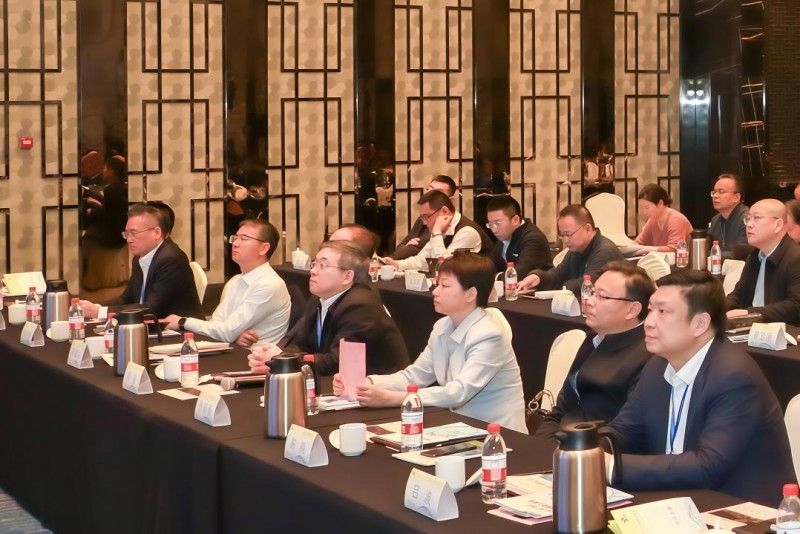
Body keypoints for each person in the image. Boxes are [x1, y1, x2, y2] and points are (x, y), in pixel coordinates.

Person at [603, 270, 794, 505]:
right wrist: (586, 450)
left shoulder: (734, 377)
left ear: (700, 323)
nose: (649, 322)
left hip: (740, 509)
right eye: (650, 310)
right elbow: (624, 430)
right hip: (679, 500)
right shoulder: (657, 367)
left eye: (662, 312)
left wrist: (612, 466)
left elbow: (709, 466)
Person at [332, 252, 527, 433]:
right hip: (460, 427)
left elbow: (458, 392)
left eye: (445, 286)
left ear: (471, 294)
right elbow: (415, 376)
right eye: (437, 284)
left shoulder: (489, 335)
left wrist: (392, 398)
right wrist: (367, 384)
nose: (435, 291)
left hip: (498, 433)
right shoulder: (442, 326)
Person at [248, 241, 409, 375]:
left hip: (377, 391)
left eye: (323, 265)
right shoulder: (320, 297)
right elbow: (300, 342)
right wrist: (275, 357)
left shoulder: (360, 306)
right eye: (314, 264)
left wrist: (285, 359)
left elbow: (337, 362)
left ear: (347, 276)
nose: (313, 271)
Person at [535, 262, 655, 439]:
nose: (589, 301)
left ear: (632, 310)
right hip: (560, 443)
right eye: (592, 293)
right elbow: (559, 411)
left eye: (602, 297)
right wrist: (544, 443)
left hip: (596, 449)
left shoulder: (648, 356)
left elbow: (624, 432)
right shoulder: (592, 340)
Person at [163, 219, 290, 347]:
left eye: (244, 239)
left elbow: (227, 332)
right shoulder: (235, 281)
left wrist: (183, 321)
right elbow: (218, 325)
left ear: (264, 248)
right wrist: (233, 336)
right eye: (235, 238)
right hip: (235, 349)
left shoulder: (269, 284)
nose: (235, 243)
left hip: (258, 356)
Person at [79, 203, 202, 319]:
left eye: (134, 233)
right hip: (153, 326)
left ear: (156, 233)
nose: (129, 240)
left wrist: (100, 312)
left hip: (180, 329)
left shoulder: (171, 259)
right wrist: (96, 307)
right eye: (127, 234)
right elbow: (126, 299)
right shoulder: (139, 258)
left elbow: (152, 308)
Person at [517, 205, 623, 295]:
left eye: (568, 234)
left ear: (588, 229)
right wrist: (538, 277)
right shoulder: (576, 249)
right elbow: (558, 275)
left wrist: (561, 285)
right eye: (562, 235)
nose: (565, 240)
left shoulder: (605, 251)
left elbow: (585, 285)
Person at [726, 199, 800, 324]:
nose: (749, 224)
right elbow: (739, 294)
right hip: (754, 327)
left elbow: (796, 306)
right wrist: (714, 309)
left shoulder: (796, 257)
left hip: (785, 331)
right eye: (748, 218)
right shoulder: (755, 255)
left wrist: (750, 313)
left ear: (778, 225)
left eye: (757, 218)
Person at [381, 190, 493, 272]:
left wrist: (437, 233)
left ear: (444, 211)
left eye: (426, 217)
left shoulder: (467, 232)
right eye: (422, 218)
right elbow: (423, 260)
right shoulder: (439, 230)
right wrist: (396, 264)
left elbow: (445, 266)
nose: (424, 223)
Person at [392, 175, 457, 260]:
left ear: (450, 200)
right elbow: (401, 248)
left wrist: (409, 247)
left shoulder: (454, 225)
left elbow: (416, 251)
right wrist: (407, 246)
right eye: (429, 189)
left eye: (437, 192)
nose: (430, 194)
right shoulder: (423, 218)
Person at [485, 195, 552, 278]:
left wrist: (493, 277)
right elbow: (489, 266)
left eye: (497, 223)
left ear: (515, 220)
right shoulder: (505, 236)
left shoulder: (533, 239)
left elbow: (517, 275)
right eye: (490, 224)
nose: (494, 230)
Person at [633, 183, 693, 250]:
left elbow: (674, 249)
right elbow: (638, 243)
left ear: (660, 203)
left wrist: (649, 249)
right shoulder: (652, 220)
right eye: (642, 208)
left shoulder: (676, 220)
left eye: (647, 208)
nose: (644, 212)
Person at [707, 173, 749, 258]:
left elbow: (742, 253)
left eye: (721, 192)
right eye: (714, 192)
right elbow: (707, 248)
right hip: (718, 265)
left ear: (736, 197)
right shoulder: (715, 219)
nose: (715, 196)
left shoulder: (747, 218)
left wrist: (712, 256)